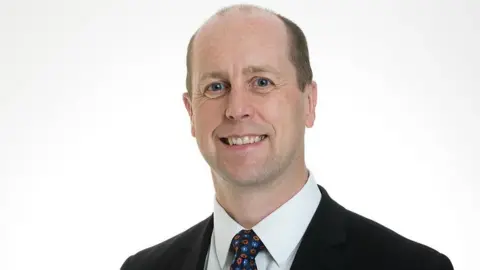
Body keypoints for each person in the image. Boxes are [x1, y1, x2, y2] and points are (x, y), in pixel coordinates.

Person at [120, 4, 454, 270]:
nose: (237, 109)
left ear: (309, 102)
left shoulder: (411, 266)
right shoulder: (142, 268)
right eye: (216, 87)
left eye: (261, 82)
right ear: (191, 112)